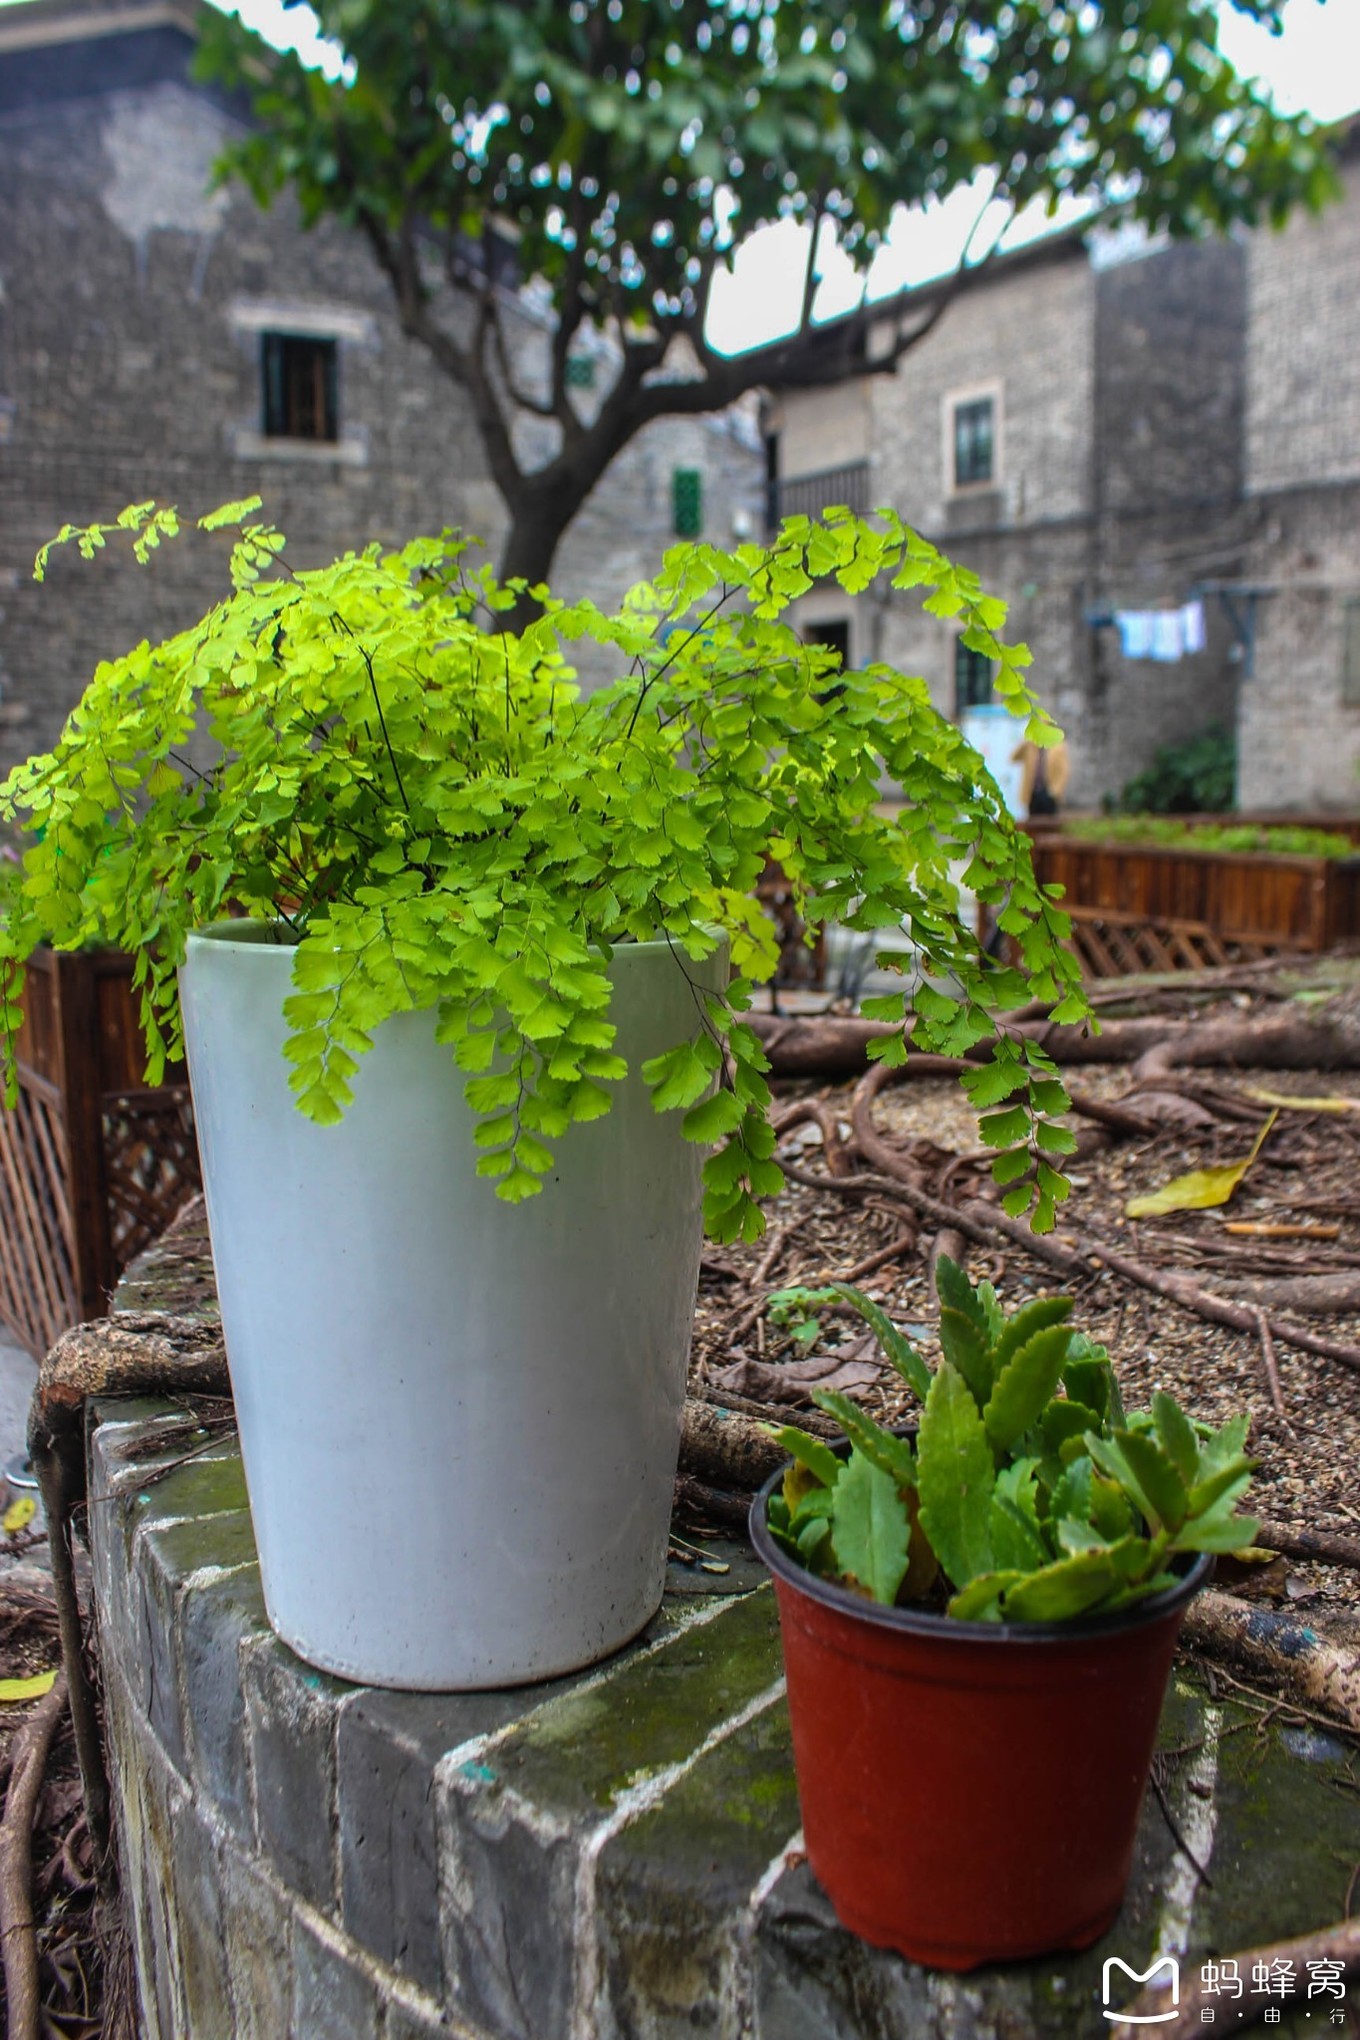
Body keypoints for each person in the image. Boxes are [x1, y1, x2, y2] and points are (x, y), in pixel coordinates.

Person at [1011, 736, 1070, 820]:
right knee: (1033, 822)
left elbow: (1064, 771)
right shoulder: (1029, 747)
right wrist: (1025, 740)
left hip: (1048, 792)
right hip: (1033, 793)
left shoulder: (1058, 747)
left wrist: (1055, 791)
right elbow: (1013, 758)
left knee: (1049, 823)